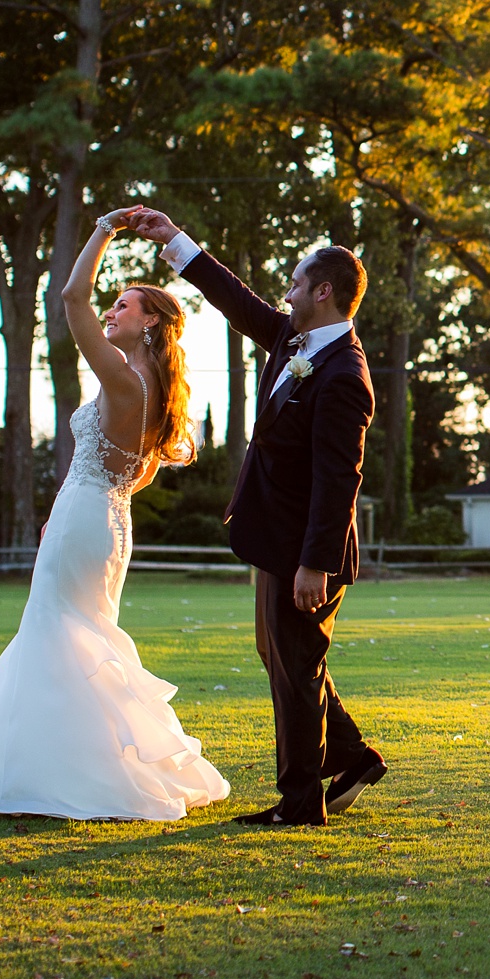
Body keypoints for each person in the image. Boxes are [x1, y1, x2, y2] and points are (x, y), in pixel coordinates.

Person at [0, 209, 230, 821]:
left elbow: (70, 295)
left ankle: (62, 774)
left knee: (57, 636)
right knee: (76, 639)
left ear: (152, 323)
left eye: (124, 306)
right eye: (114, 304)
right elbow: (129, 475)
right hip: (106, 522)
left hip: (88, 518)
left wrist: (105, 227)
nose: (111, 311)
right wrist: (74, 512)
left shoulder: (123, 379)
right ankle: (64, 763)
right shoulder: (154, 390)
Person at [121, 207, 386, 827]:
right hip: (274, 538)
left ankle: (300, 806)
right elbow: (237, 303)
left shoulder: (345, 374)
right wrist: (175, 242)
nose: (286, 293)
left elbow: (338, 479)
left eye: (295, 283)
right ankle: (350, 754)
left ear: (324, 292)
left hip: (304, 551)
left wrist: (315, 563)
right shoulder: (296, 342)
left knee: (295, 669)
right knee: (283, 656)